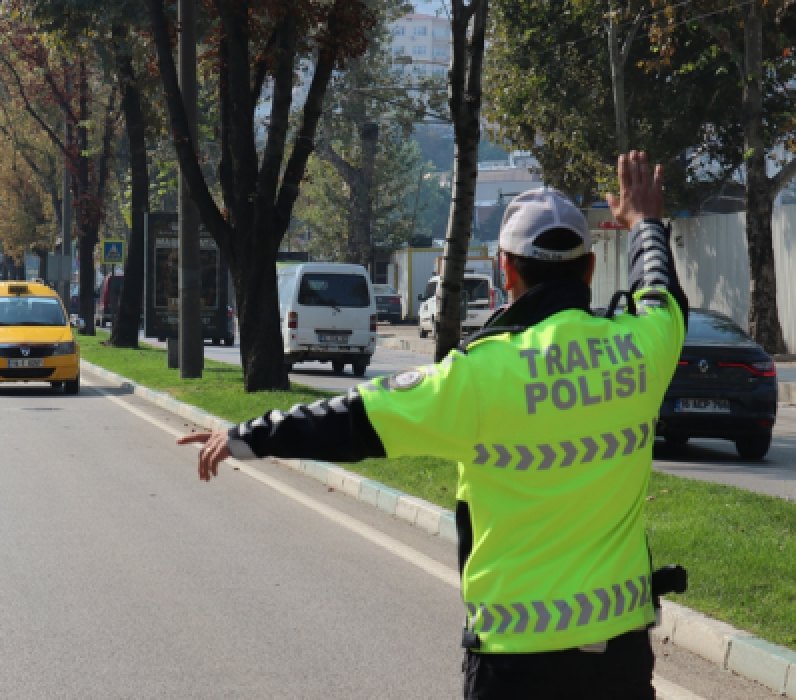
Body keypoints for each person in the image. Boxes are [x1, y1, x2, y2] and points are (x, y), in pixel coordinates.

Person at [178, 152, 688, 700]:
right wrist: (645, 223)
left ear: (507, 270)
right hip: (620, 664)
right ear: (589, 270)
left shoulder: (478, 377)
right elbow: (658, 290)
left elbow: (352, 420)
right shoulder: (640, 351)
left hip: (515, 667)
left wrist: (246, 435)